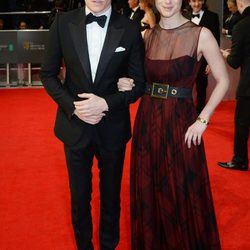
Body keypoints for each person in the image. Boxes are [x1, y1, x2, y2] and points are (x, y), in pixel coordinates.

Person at [117, 0, 229, 249]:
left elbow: (223, 80)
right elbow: (137, 79)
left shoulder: (201, 35)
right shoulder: (145, 36)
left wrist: (203, 118)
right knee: (150, 186)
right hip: (148, 122)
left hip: (182, 123)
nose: (168, 1)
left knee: (181, 188)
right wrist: (127, 83)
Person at [40, 0, 146, 249]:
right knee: (79, 198)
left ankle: (109, 245)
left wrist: (106, 103)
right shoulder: (63, 23)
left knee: (111, 197)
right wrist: (74, 108)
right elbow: (47, 74)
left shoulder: (130, 29)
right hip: (75, 128)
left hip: (112, 128)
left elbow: (139, 84)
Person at [218, 0, 250, 171]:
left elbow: (235, 62)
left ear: (239, 4)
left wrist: (225, 54)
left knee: (242, 123)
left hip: (248, 87)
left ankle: (240, 160)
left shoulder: (241, 26)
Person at [184, 0, 220, 115]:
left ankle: (200, 114)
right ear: (189, 2)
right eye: (193, 1)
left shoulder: (212, 17)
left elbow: (216, 41)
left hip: (204, 58)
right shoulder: (184, 16)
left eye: (199, 0)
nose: (196, 4)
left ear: (203, 1)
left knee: (201, 86)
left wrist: (212, 62)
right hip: (186, 58)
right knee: (185, 86)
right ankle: (186, 111)